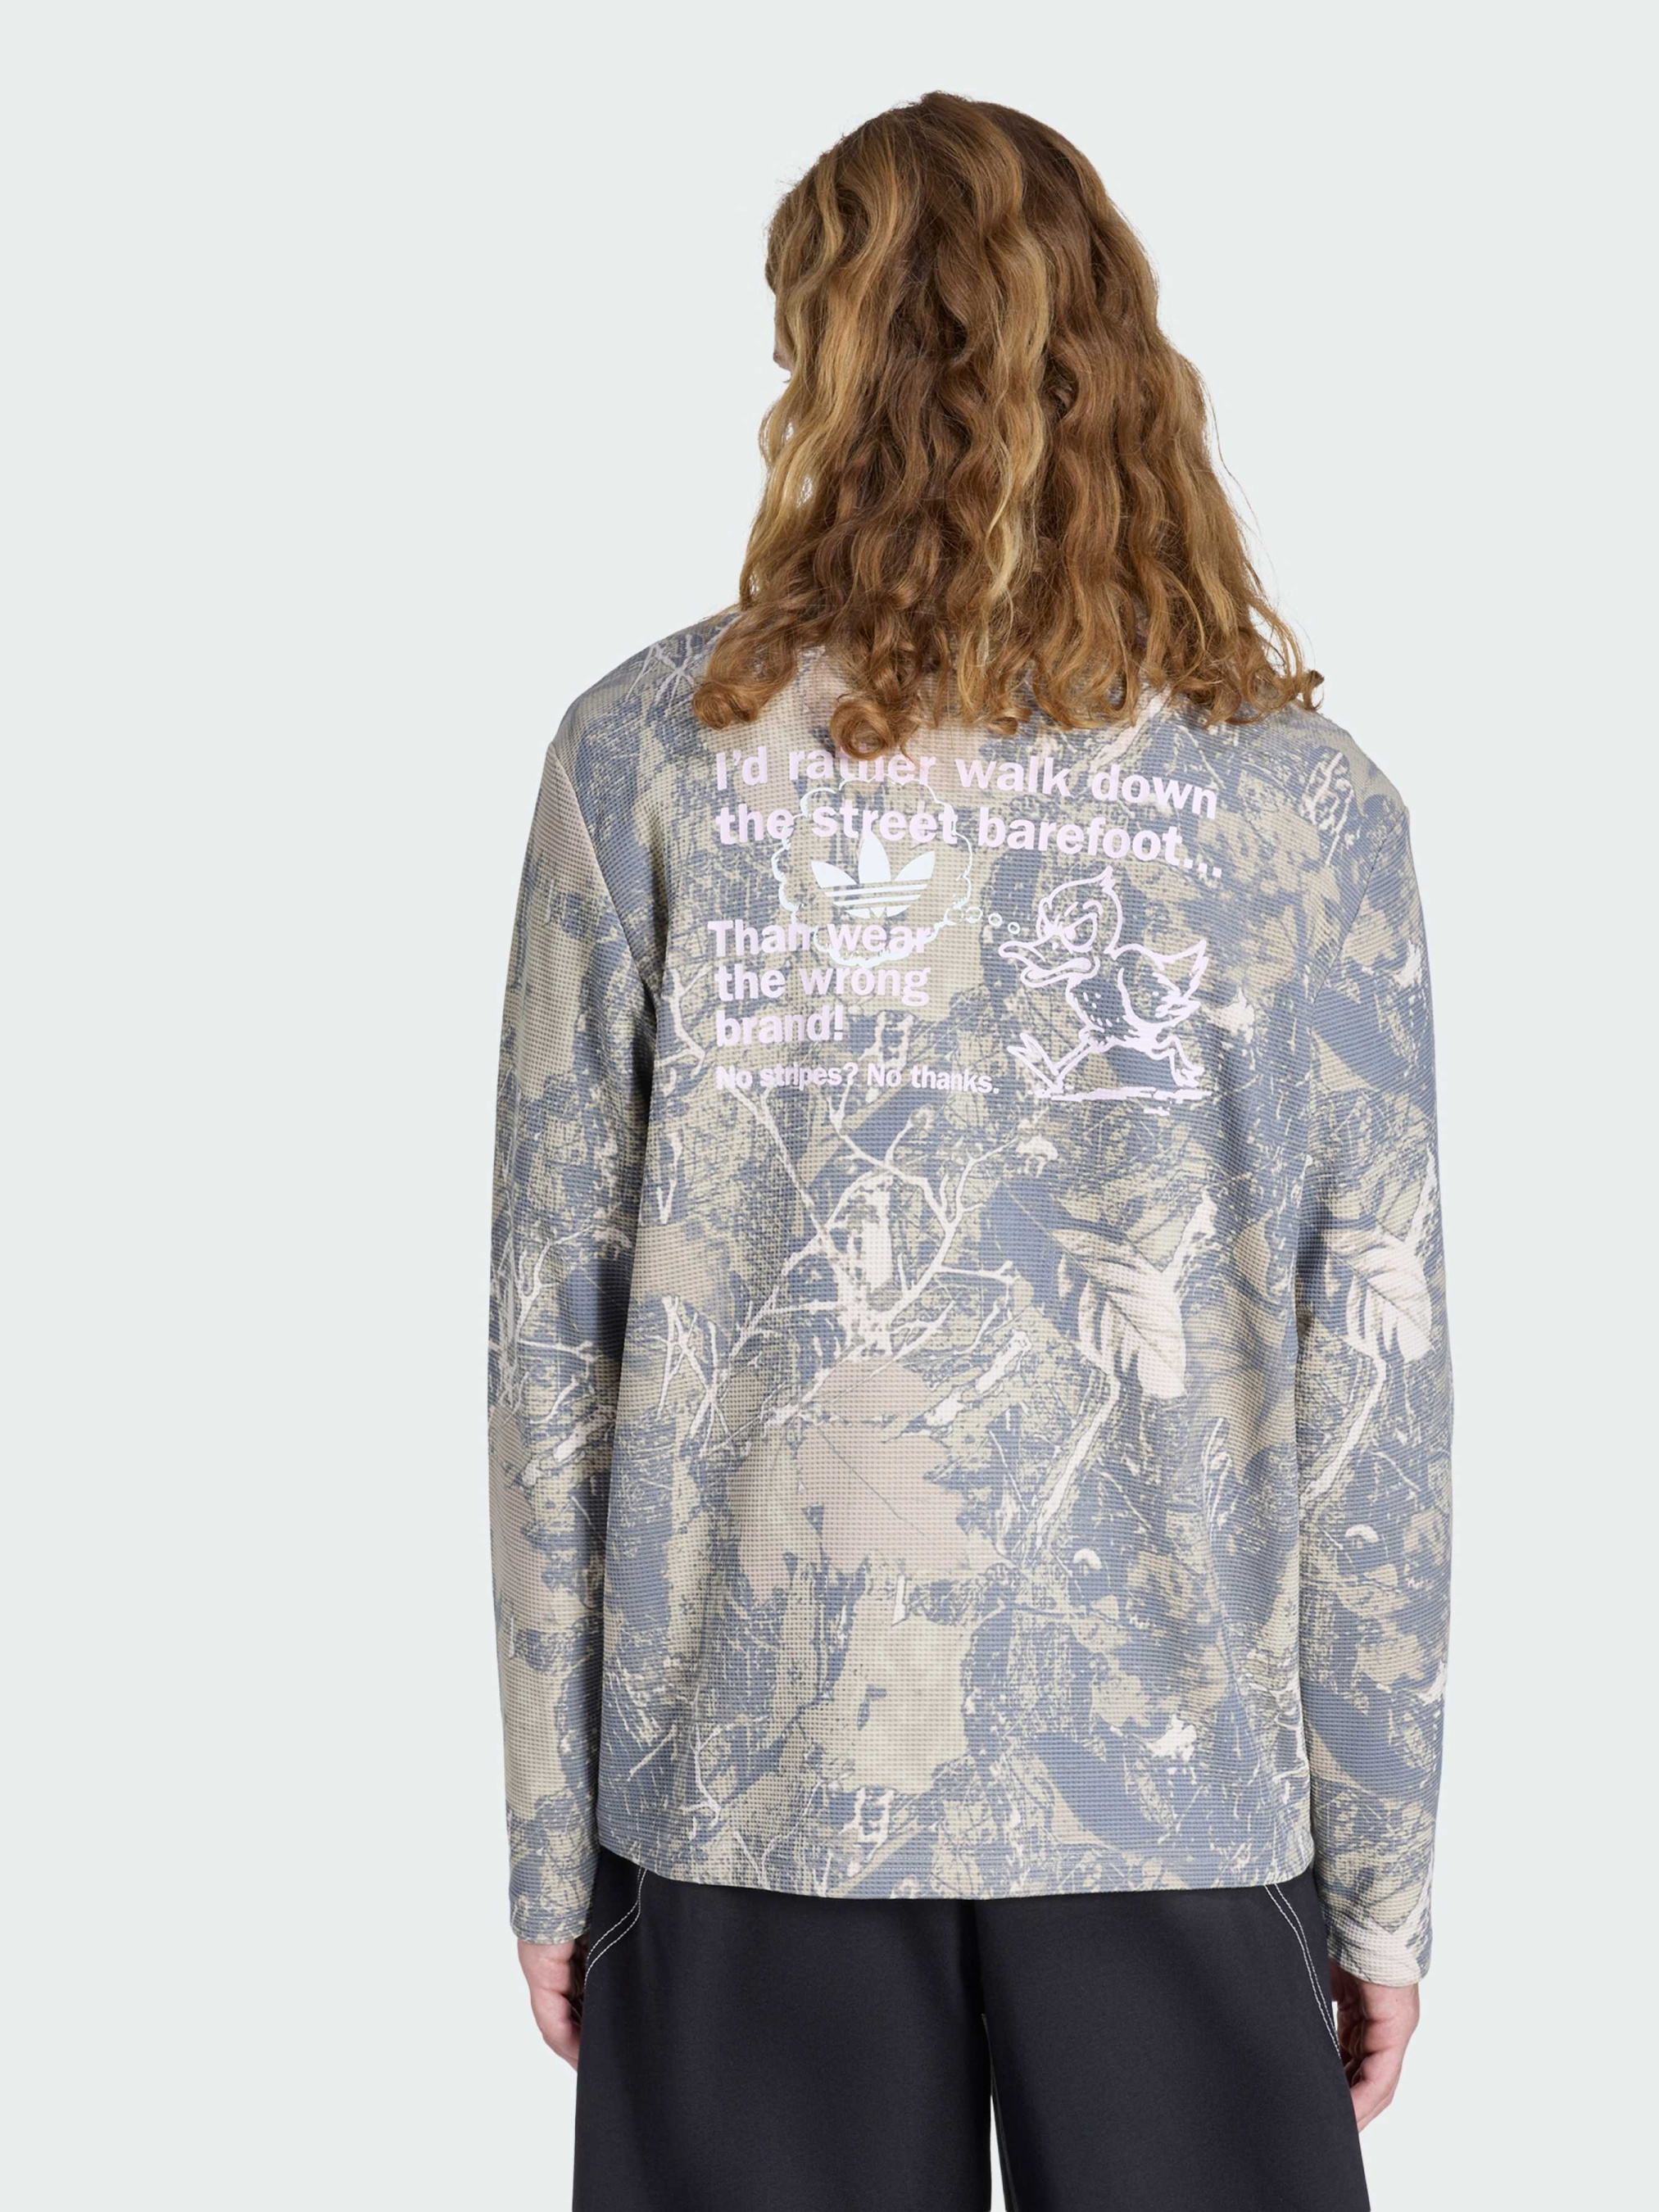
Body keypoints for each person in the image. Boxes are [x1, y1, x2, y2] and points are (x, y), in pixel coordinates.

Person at [489, 92, 1451, 2211]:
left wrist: (555, 1841)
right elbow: (1374, 1369)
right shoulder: (1304, 809)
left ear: (813, 369)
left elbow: (555, 1338)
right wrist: (1378, 1866)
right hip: (1175, 1782)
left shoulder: (642, 761)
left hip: (753, 1775)